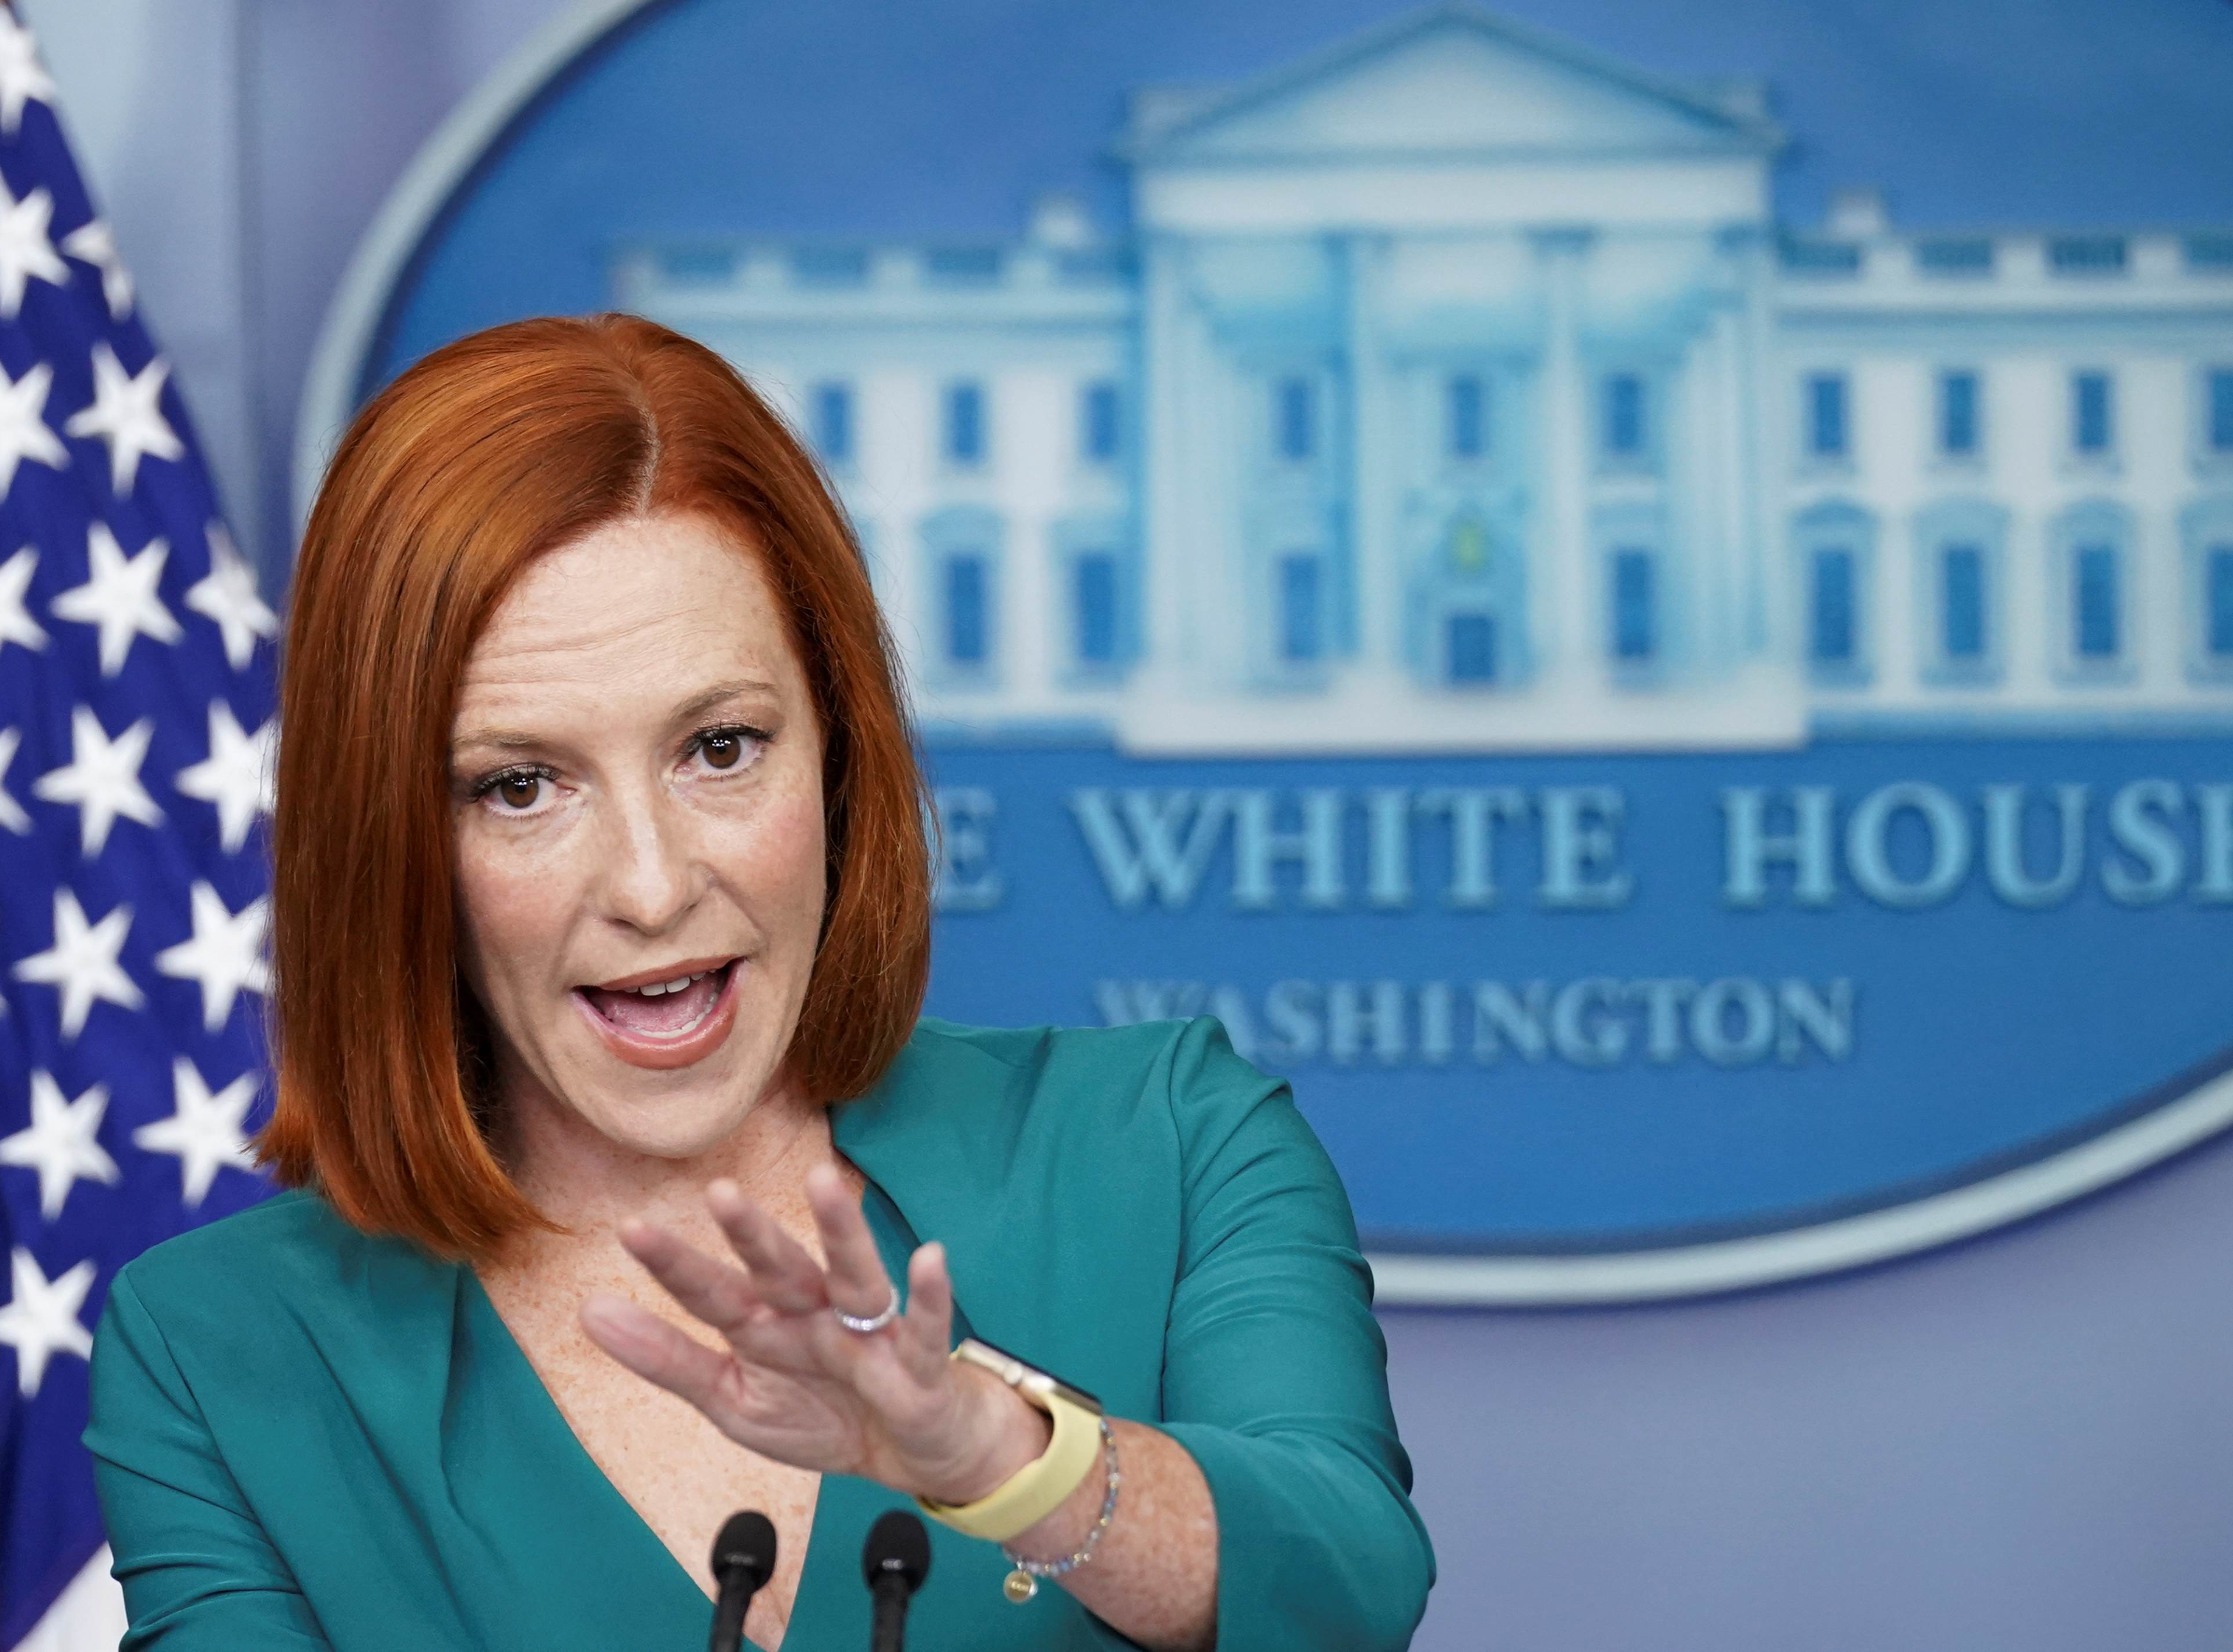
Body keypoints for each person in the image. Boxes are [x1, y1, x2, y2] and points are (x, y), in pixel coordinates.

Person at [82, 314, 1434, 1651]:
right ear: (390, 836)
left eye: (720, 747)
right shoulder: (214, 1351)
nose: (652, 884)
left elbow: (1348, 1589)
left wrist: (1002, 1456)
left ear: (837, 749)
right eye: (521, 784)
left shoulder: (1164, 1139)